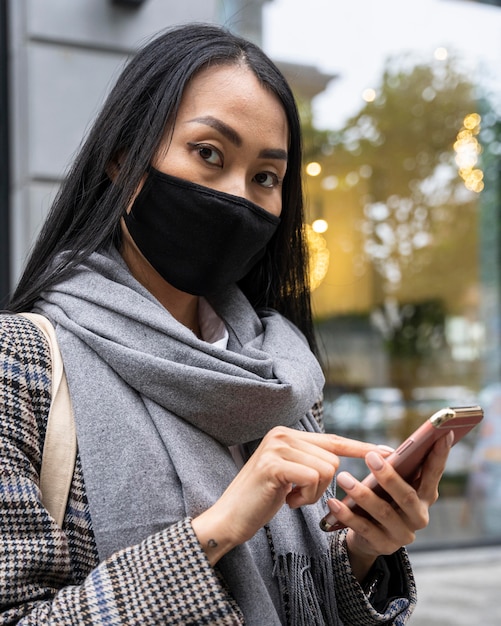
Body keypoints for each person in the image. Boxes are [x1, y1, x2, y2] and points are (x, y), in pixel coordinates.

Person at [0, 23, 452, 625]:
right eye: (208, 153)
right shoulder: (20, 363)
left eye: (266, 177)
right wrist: (216, 530)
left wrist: (367, 550)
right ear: (123, 162)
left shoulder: (281, 371)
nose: (237, 196)